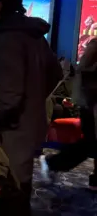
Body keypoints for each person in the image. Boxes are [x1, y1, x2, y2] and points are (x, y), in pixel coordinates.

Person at [0, 0, 62, 216]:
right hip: (25, 132)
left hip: (8, 138)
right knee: (18, 196)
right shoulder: (32, 35)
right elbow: (55, 73)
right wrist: (32, 101)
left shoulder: (7, 40)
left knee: (5, 199)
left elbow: (8, 95)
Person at [40, 37, 97, 190]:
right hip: (90, 105)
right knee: (91, 143)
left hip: (89, 104)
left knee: (92, 143)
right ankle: (52, 162)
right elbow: (86, 75)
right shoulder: (94, 47)